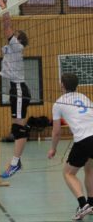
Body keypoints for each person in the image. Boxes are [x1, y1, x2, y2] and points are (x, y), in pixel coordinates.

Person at [48, 73, 93, 220]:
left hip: (84, 139)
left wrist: (53, 148)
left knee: (68, 173)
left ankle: (83, 204)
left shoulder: (59, 103)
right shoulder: (84, 97)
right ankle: (92, 204)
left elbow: (56, 132)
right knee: (90, 169)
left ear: (62, 85)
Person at [0, 0, 31, 178]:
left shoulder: (16, 46)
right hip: (15, 89)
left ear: (18, 39)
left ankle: (15, 163)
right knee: (16, 127)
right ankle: (16, 162)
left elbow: (7, 26)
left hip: (18, 89)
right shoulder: (12, 48)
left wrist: (4, 8)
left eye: (14, 33)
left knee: (18, 129)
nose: (11, 34)